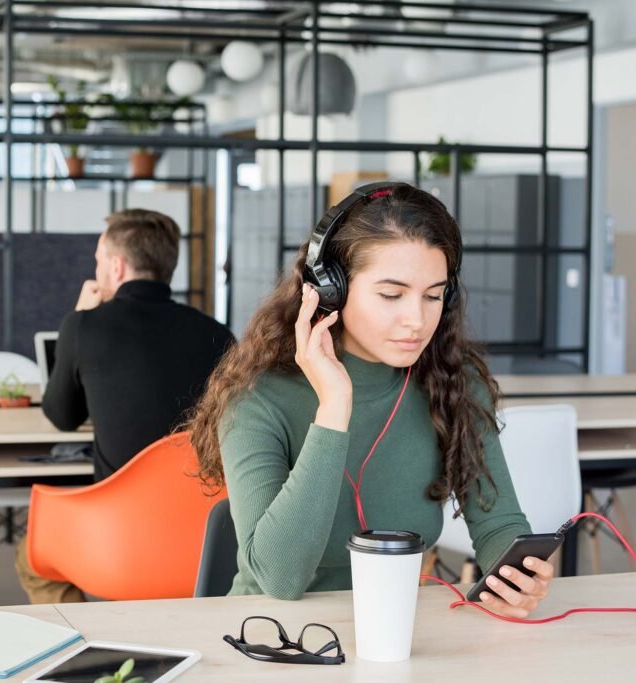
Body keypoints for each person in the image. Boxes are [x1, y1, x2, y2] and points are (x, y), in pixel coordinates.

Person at [188, 182, 553, 619]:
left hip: (396, 629)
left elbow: (499, 524)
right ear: (329, 290)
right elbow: (280, 579)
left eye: (433, 295)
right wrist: (335, 407)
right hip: (271, 635)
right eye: (391, 295)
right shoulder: (256, 398)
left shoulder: (454, 382)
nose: (417, 320)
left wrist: (515, 579)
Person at [16, 208, 235, 603]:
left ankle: (83, 648)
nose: (96, 269)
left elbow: (62, 417)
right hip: (204, 543)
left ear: (116, 267)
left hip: (117, 542)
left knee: (32, 560)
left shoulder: (84, 326)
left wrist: (80, 318)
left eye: (98, 260)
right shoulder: (217, 334)